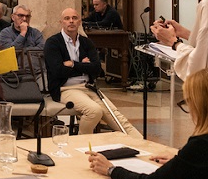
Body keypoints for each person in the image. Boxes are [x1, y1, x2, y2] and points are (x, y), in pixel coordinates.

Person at [45, 8, 140, 137]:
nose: (71, 21)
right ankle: (83, 145)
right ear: (61, 22)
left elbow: (97, 69)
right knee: (94, 111)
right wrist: (84, 65)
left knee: (116, 116)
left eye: (74, 18)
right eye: (67, 19)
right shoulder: (53, 43)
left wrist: (73, 64)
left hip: (88, 87)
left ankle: (140, 142)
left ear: (79, 22)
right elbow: (57, 71)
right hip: (65, 89)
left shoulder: (86, 42)